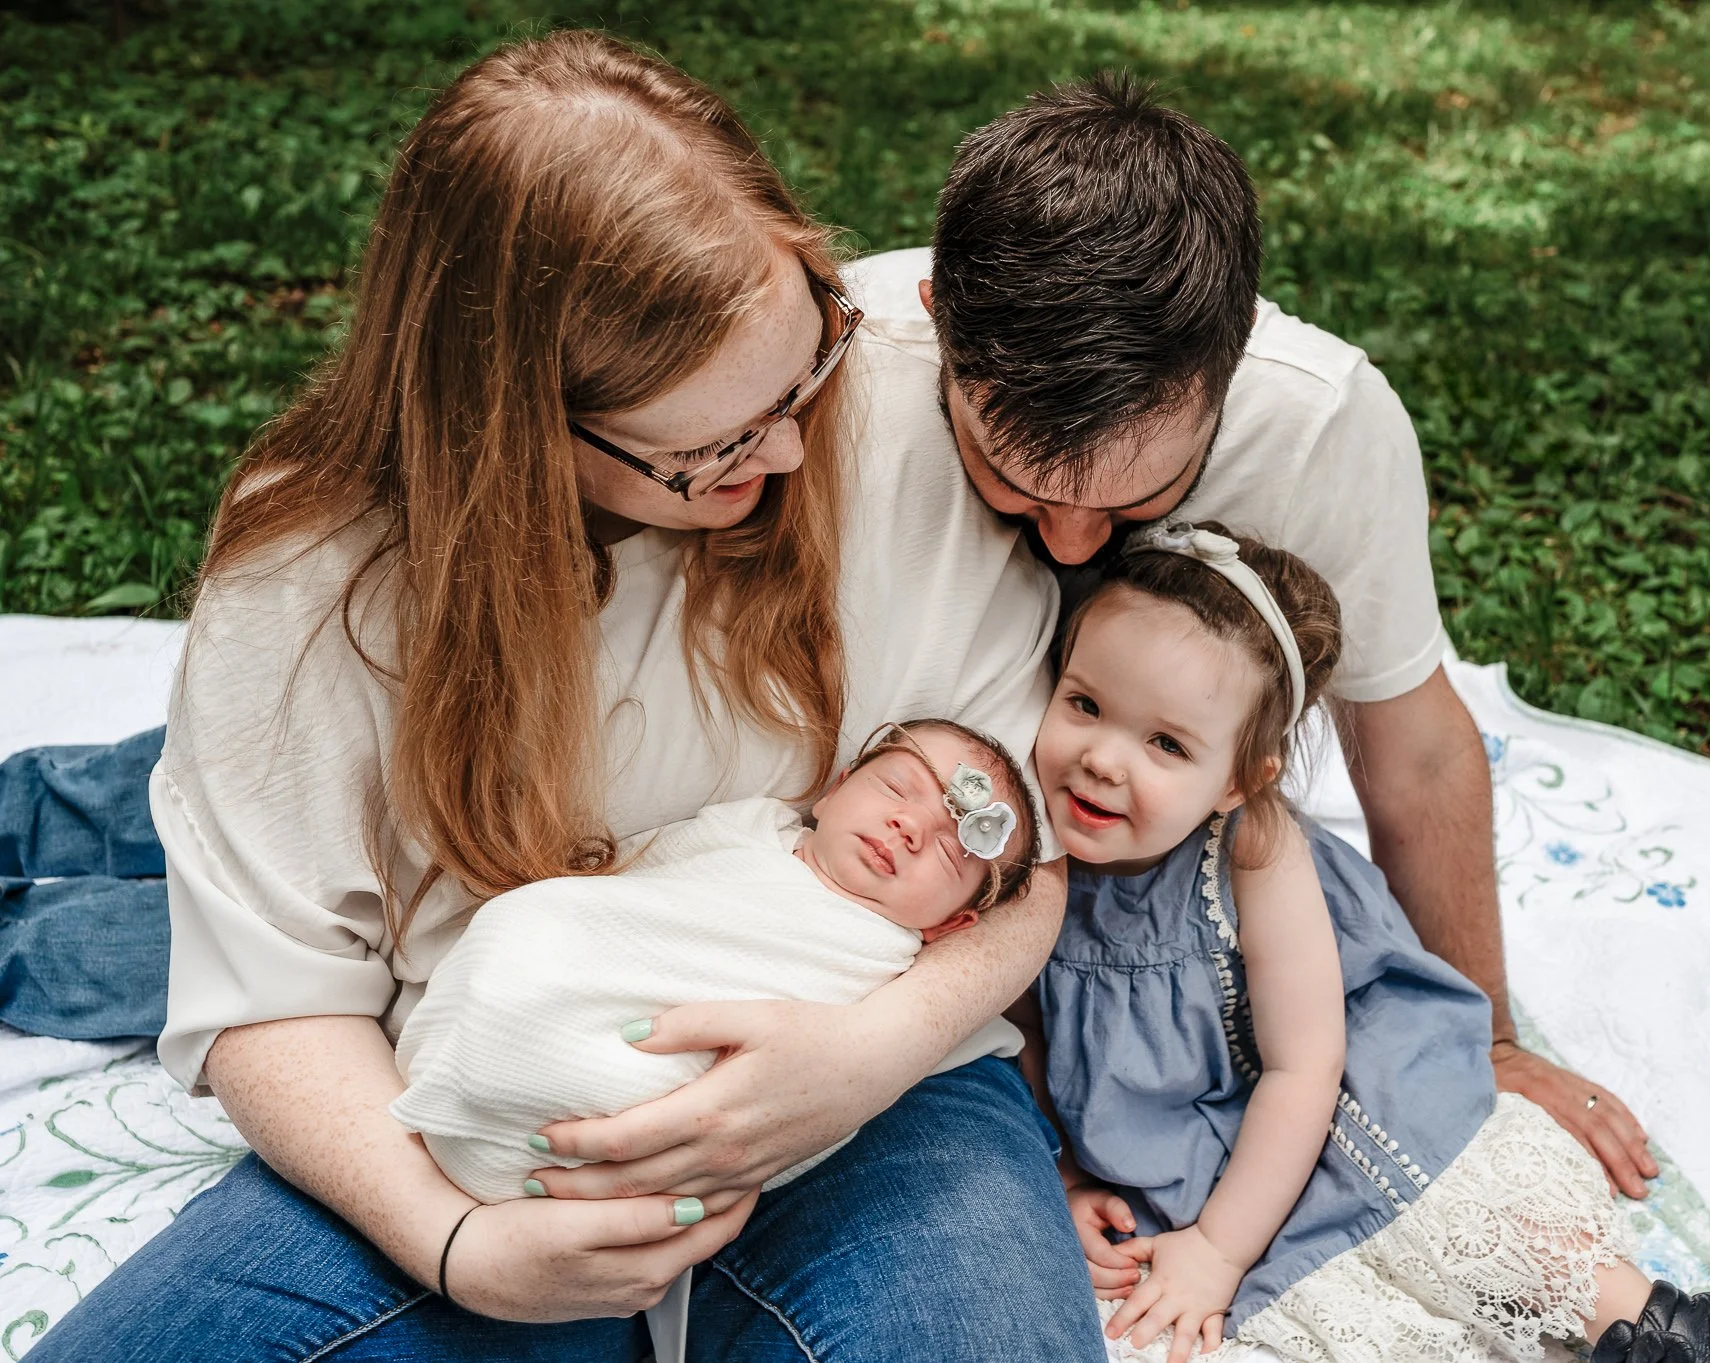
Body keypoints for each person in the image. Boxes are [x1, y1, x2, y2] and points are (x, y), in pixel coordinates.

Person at [30, 31, 1105, 1362]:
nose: (785, 445)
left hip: (885, 1095)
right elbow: (274, 993)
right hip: (491, 1117)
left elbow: (1033, 859)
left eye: (801, 368)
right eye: (707, 449)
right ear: (519, 428)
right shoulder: (313, 581)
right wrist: (454, 1241)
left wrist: (874, 1049)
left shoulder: (880, 395)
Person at [841, 74, 1662, 1200]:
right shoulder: (837, 392)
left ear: (1228, 364)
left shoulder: (1321, 424)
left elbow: (1410, 746)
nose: (1076, 542)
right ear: (939, 323)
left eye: (1142, 494)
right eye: (1009, 480)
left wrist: (1491, 1042)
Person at [1027, 521, 1710, 1363]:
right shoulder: (1024, 854)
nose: (1102, 759)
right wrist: (1065, 1174)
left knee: (1453, 1205)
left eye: (1165, 743)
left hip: (1340, 1070)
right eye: (1085, 704)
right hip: (1181, 1150)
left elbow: (1302, 1065)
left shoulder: (1252, 847)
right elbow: (1018, 1034)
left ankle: (1664, 1332)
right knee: (1304, 1319)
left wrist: (1219, 1249)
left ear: (1239, 780)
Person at [393, 719, 1038, 1206]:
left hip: (657, 1101)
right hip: (561, 978)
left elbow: (832, 1087)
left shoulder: (886, 967)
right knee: (529, 925)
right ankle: (489, 1055)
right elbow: (639, 877)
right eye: (896, 788)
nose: (910, 828)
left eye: (953, 854)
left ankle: (517, 1108)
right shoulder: (748, 827)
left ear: (952, 924)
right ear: (835, 789)